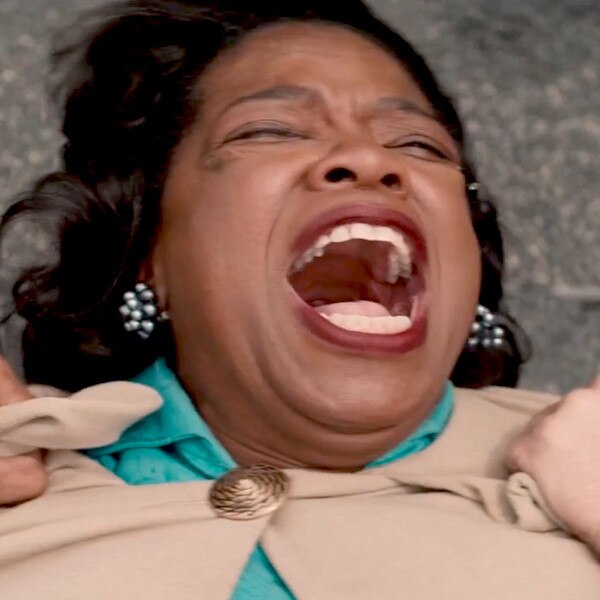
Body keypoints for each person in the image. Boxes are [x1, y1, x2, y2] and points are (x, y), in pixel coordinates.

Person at [0, 0, 599, 597]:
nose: (370, 159)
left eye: (420, 145)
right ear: (146, 251)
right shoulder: (23, 476)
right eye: (271, 130)